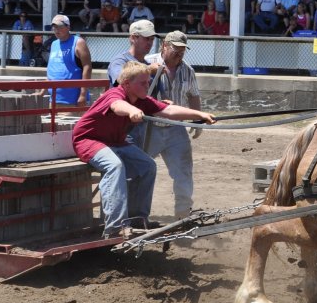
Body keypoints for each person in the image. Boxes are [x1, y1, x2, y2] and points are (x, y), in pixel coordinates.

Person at [72, 61, 215, 239]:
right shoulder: (115, 94)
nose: (148, 86)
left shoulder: (142, 101)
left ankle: (137, 218)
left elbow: (169, 110)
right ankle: (115, 226)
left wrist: (200, 115)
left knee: (148, 166)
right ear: (126, 84)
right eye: (143, 83)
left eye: (148, 82)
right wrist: (131, 110)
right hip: (89, 140)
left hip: (115, 141)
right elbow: (117, 106)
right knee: (115, 166)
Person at [144, 31, 207, 219]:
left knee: (184, 173)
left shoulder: (188, 70)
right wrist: (148, 71)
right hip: (149, 128)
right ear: (164, 45)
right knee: (140, 170)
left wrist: (198, 121)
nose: (179, 54)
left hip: (176, 129)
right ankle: (136, 214)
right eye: (175, 49)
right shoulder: (147, 62)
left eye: (182, 50)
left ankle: (182, 215)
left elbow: (193, 94)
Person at [46, 13, 93, 106]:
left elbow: (87, 67)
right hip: (53, 100)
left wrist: (83, 94)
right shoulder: (54, 44)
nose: (56, 30)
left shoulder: (78, 42)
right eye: (54, 28)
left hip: (73, 101)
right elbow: (52, 70)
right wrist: (43, 91)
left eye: (60, 27)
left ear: (68, 27)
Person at [108, 19, 157, 84]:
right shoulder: (120, 61)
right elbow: (120, 80)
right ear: (133, 38)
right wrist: (148, 70)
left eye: (152, 39)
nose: (150, 43)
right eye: (147, 38)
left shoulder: (149, 65)